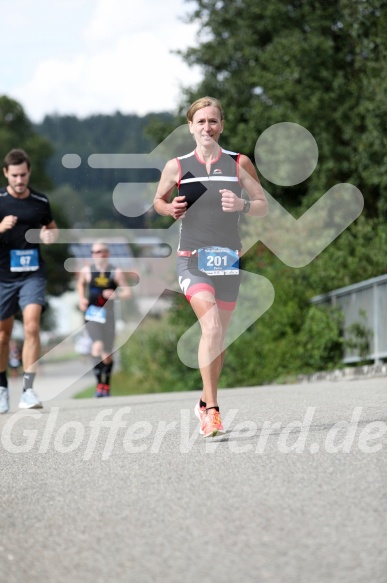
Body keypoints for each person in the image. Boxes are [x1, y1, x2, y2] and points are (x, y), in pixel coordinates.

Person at [154, 96, 268, 437]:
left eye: (213, 121)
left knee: (218, 339)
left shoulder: (238, 163)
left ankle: (204, 401)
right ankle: (213, 412)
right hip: (192, 260)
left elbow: (263, 205)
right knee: (212, 325)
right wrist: (169, 208)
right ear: (190, 127)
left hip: (227, 259)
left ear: (222, 125)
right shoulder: (177, 166)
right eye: (201, 121)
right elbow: (157, 201)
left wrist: (243, 204)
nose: (207, 127)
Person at [0, 148, 58, 414]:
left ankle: (28, 390)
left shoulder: (40, 201)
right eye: (14, 176)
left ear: (29, 172)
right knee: (3, 336)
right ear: (6, 174)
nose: (19, 180)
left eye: (23, 174)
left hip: (33, 274)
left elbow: (52, 229)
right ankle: (2, 389)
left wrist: (49, 237)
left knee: (32, 326)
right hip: (3, 277)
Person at [77, 241, 132, 397]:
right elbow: (80, 284)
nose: (96, 255)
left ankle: (106, 385)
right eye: (94, 252)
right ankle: (99, 385)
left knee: (107, 354)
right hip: (92, 314)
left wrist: (117, 295)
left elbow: (128, 292)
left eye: (100, 251)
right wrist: (81, 298)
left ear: (107, 253)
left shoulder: (116, 272)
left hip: (109, 316)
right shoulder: (87, 271)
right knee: (97, 346)